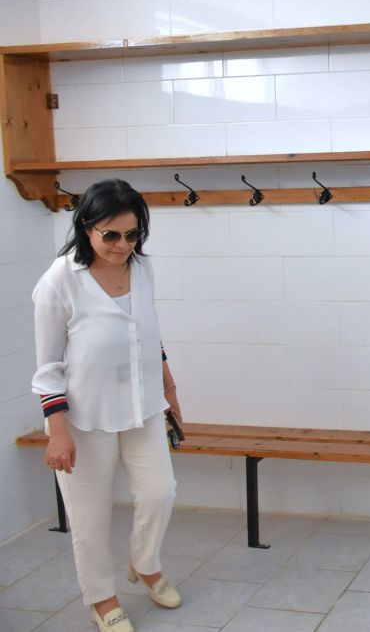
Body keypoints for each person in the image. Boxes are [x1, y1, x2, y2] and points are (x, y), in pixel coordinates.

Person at [32, 179, 182, 632]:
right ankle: (102, 599)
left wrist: (170, 392)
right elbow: (48, 367)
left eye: (133, 234)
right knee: (90, 517)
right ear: (86, 227)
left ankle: (145, 563)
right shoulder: (59, 281)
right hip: (81, 418)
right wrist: (58, 431)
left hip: (143, 406)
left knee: (160, 492)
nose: (123, 245)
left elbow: (148, 333)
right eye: (111, 235)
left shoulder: (142, 268)